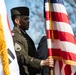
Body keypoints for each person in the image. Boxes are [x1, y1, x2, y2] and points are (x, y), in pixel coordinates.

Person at [10, 6, 54, 75]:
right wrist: (42, 62)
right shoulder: (15, 36)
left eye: (28, 19)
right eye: (25, 19)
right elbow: (21, 57)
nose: (28, 21)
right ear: (17, 21)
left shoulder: (25, 36)